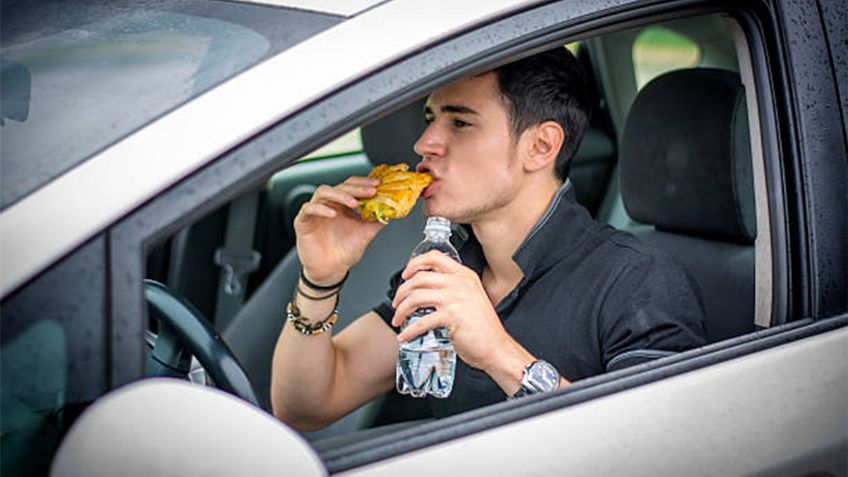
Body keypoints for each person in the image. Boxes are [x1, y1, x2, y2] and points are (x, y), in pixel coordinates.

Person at [271, 47, 706, 430]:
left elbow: (659, 451)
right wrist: (320, 279)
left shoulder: (638, 282)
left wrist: (500, 355)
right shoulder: (446, 267)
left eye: (460, 122)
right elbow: (306, 407)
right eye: (430, 118)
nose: (424, 142)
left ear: (540, 146)